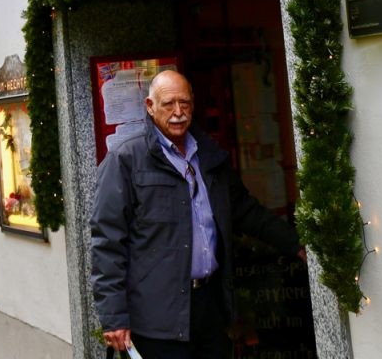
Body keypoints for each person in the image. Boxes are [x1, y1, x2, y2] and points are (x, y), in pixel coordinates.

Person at [90, 71, 306, 359]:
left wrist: (296, 243)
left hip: (210, 305)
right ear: (150, 106)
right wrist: (114, 317)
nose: (178, 112)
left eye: (185, 103)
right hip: (157, 318)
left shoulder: (208, 155)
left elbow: (245, 211)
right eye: (168, 104)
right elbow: (107, 242)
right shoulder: (126, 160)